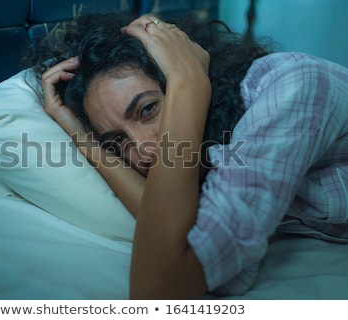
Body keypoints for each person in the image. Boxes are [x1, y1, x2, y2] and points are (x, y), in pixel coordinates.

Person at [24, 12, 348, 299]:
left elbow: (159, 287)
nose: (145, 151)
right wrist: (81, 137)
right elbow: (184, 233)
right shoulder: (217, 155)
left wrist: (189, 82)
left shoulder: (294, 87)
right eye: (118, 141)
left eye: (148, 109)